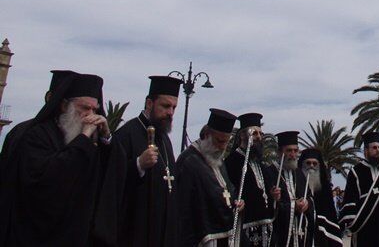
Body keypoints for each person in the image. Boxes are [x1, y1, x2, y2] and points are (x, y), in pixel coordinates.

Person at [0, 72, 114, 246]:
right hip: (34, 234)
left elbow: (108, 176)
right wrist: (83, 139)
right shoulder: (35, 134)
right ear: (63, 106)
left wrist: (106, 137)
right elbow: (48, 179)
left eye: (94, 109)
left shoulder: (90, 141)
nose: (90, 115)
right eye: (84, 108)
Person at [111, 75, 182, 246]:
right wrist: (138, 165)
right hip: (135, 231)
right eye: (165, 106)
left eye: (174, 107)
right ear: (150, 103)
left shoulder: (164, 140)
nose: (170, 113)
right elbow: (111, 184)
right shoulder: (125, 135)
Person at [176, 108, 243, 246]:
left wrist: (237, 201)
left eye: (226, 142)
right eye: (219, 141)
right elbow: (183, 209)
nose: (222, 147)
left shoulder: (216, 159)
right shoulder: (189, 161)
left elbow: (228, 189)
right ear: (206, 135)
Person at [224, 112, 281, 247]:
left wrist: (275, 196)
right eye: (254, 133)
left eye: (260, 134)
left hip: (267, 229)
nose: (259, 137)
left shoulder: (259, 163)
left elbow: (267, 194)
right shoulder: (231, 162)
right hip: (245, 230)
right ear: (243, 135)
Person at [340, 131, 379, 247]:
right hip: (364, 224)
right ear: (366, 150)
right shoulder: (356, 171)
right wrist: (353, 222)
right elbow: (350, 198)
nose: (377, 150)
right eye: (374, 147)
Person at [272, 131, 313, 247]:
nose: (293, 155)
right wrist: (293, 206)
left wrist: (307, 204)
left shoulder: (300, 173)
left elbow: (309, 196)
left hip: (300, 235)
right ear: (280, 152)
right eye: (289, 151)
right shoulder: (270, 172)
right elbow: (270, 206)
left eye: (296, 150)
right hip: (280, 236)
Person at [298, 148, 342, 246]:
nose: (311, 166)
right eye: (308, 163)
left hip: (321, 236)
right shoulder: (295, 184)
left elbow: (330, 215)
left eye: (314, 163)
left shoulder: (325, 188)